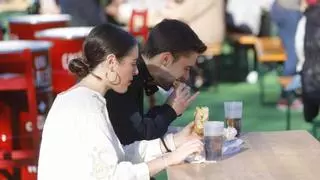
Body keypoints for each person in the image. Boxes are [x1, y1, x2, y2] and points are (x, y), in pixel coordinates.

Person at [37, 23, 203, 180]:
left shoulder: (87, 99)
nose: (137, 71)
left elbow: (120, 154)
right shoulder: (85, 107)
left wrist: (174, 141)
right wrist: (169, 159)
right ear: (111, 62)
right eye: (132, 64)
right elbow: (111, 175)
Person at [105, 19, 207, 145]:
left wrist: (171, 108)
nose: (186, 77)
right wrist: (170, 110)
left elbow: (138, 123)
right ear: (166, 59)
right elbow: (135, 138)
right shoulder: (127, 75)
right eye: (186, 68)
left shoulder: (138, 73)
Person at [270, 0, 303, 110]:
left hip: (287, 8)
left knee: (295, 53)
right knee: (294, 54)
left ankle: (289, 94)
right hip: (289, 9)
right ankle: (287, 95)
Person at [295, 0, 320, 122]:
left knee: (310, 116)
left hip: (310, 80)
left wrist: (302, 64)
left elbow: (299, 46)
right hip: (312, 78)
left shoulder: (305, 20)